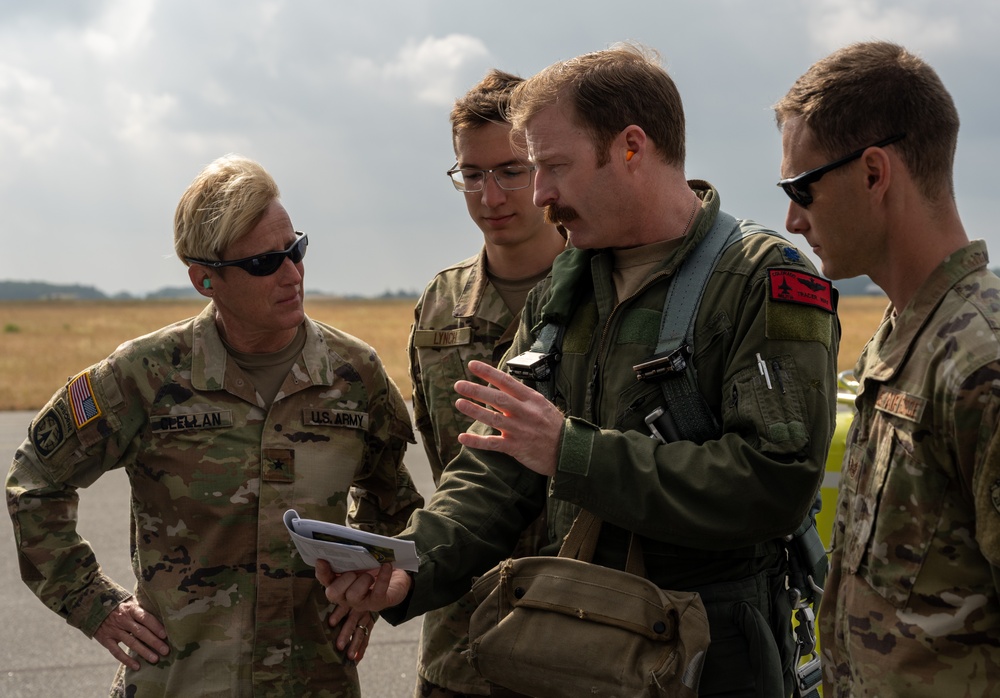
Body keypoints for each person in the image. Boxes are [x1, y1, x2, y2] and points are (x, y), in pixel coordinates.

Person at [322, 43, 839, 697]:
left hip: (712, 655)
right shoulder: (565, 287)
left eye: (552, 167)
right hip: (582, 647)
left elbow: (774, 482)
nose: (540, 195)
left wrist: (572, 452)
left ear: (630, 147)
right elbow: (496, 465)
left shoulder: (762, 279)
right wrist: (409, 566)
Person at [5, 154, 422, 697]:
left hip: (315, 682)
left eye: (295, 250)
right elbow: (35, 481)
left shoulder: (355, 372)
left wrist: (366, 592)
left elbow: (393, 500)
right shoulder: (145, 375)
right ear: (205, 279)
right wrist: (94, 604)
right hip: (180, 682)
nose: (292, 275)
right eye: (264, 264)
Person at [774, 41, 1000, 696]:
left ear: (874, 173)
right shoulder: (905, 336)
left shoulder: (980, 363)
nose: (792, 219)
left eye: (802, 188)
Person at [407, 70, 566, 697]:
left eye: (511, 170)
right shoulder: (440, 304)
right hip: (460, 638)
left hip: (579, 632)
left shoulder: (608, 294)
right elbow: (442, 459)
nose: (490, 195)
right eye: (471, 175)